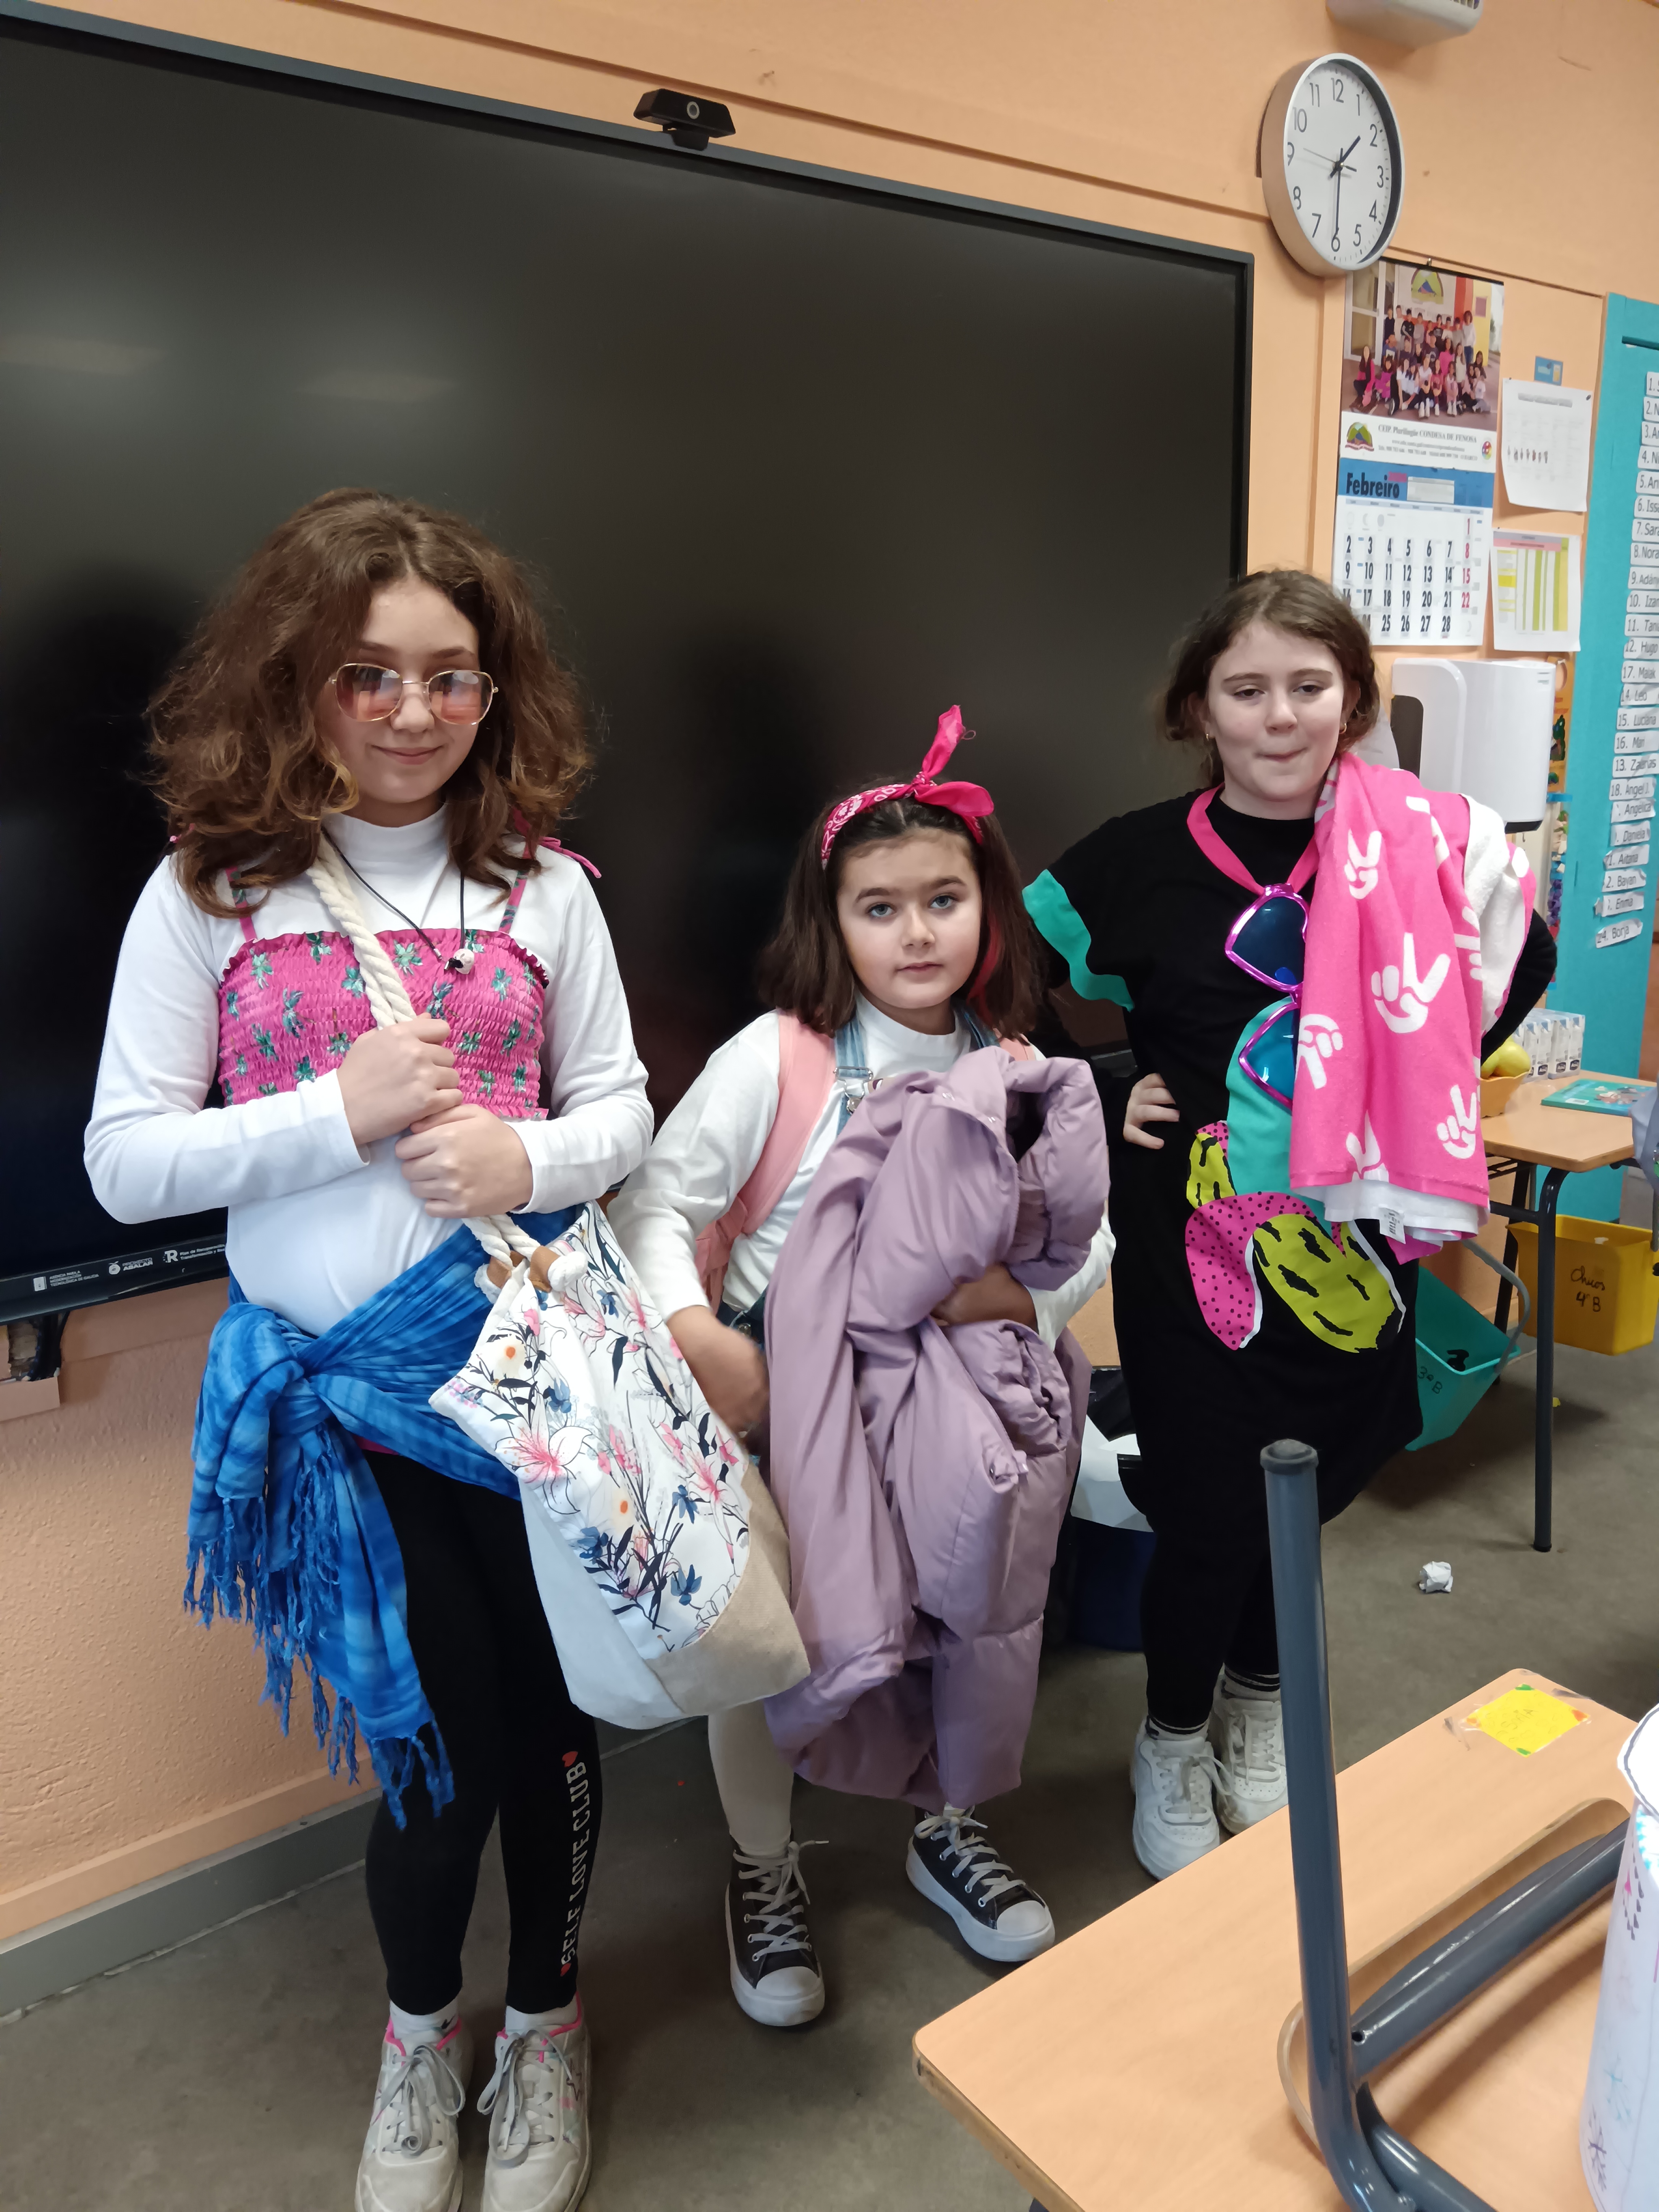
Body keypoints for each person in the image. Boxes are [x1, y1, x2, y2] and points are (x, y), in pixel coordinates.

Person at [85, 488, 653, 2212]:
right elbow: (124, 1161)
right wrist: (334, 1111)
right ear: (296, 677)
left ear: (497, 688)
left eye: (452, 674)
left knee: (557, 1730)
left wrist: (523, 1161)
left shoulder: (545, 889)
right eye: (368, 673)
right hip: (352, 1414)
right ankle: (423, 2033)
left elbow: (622, 1108)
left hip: (535, 1393)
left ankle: (545, 2022)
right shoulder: (210, 896)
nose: (415, 710)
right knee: (435, 1752)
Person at [1022, 571, 1557, 1883]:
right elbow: (1011, 980)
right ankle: (1169, 1738)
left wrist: (1420, 1070)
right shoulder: (1133, 858)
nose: (1279, 716)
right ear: (1197, 709)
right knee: (1212, 1505)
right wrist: (1102, 1084)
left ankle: (1258, 1710)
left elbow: (1523, 955)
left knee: (1300, 1491)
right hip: (1194, 1247)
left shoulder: (1426, 843)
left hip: (1353, 1236)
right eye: (1247, 689)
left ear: (1353, 700)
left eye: (1309, 687)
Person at [609, 716, 1112, 2026]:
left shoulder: (1015, 1068)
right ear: (832, 924)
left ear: (988, 908)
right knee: (779, 1644)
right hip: (796, 1418)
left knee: (963, 1626)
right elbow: (660, 1204)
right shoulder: (778, 1059)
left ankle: (947, 1825)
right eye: (879, 908)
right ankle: (762, 1863)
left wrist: (1018, 1297)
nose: (916, 934)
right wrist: (697, 1334)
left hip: (958, 1419)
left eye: (944, 900)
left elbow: (1087, 1231)